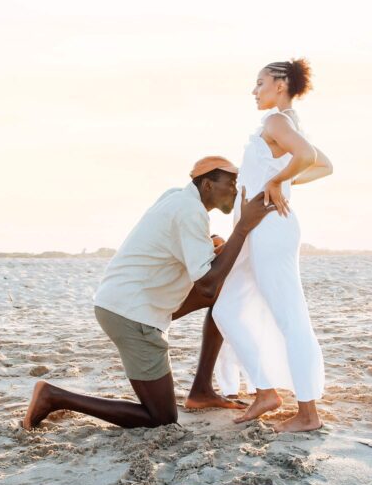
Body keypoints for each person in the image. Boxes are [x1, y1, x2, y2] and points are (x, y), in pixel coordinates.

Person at [22, 157, 275, 429]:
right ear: (207, 184)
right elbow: (207, 285)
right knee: (161, 417)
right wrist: (243, 227)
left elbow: (175, 245)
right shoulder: (190, 211)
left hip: (122, 300)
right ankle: (53, 397)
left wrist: (210, 243)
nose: (236, 191)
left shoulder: (176, 198)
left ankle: (201, 391)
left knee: (222, 294)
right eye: (231, 183)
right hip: (131, 314)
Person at [212, 59, 334, 432]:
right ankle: (265, 392)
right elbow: (322, 164)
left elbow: (313, 159)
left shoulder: (277, 121)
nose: (255, 90)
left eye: (260, 82)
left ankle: (308, 413)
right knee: (227, 309)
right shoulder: (286, 124)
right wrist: (278, 181)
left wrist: (278, 182)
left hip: (270, 230)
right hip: (256, 229)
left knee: (289, 317)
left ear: (280, 84)